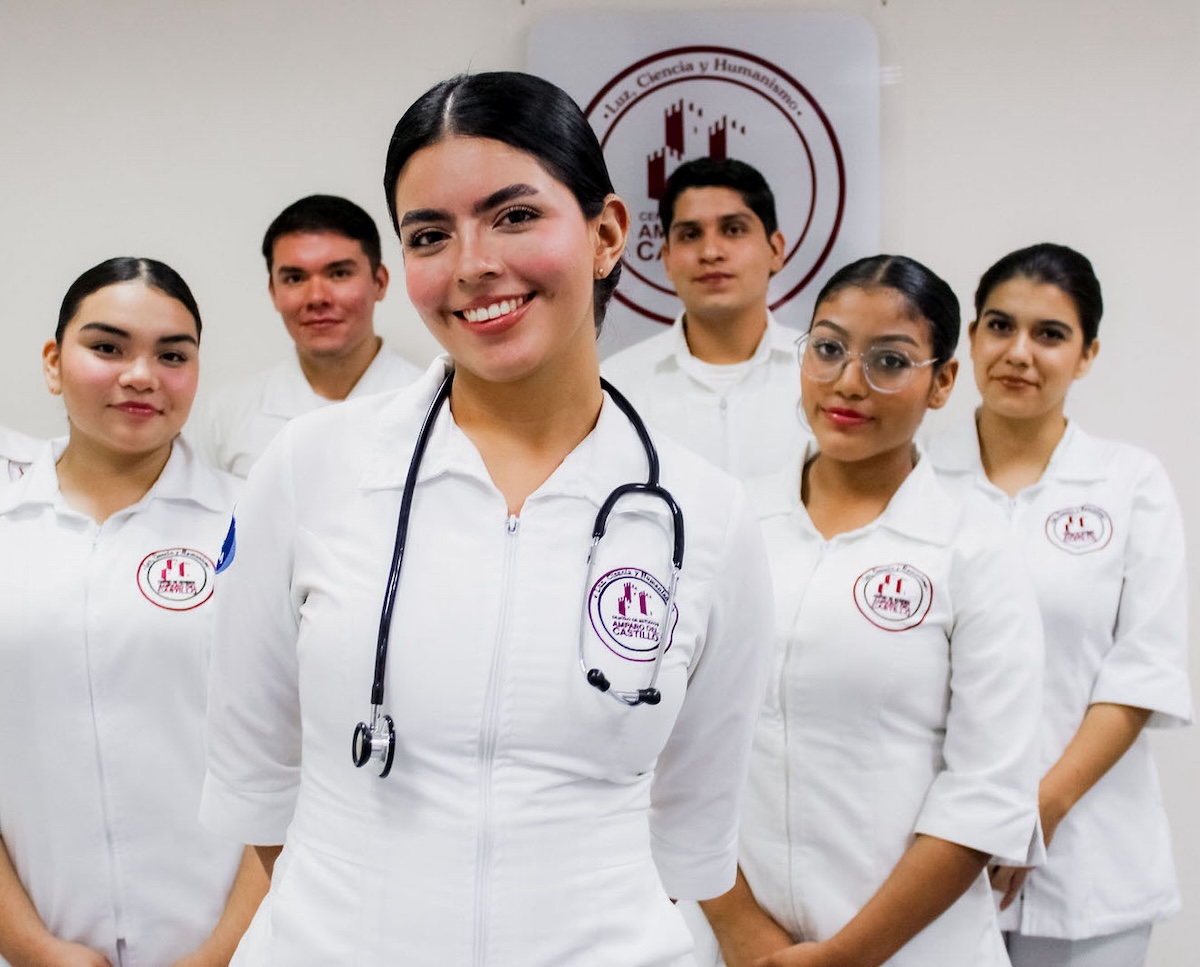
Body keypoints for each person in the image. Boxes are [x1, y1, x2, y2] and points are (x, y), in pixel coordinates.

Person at [200, 71, 774, 966]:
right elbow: (257, 776)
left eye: (513, 216)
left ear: (607, 233)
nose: (472, 264)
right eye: (431, 234)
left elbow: (691, 826)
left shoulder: (702, 516)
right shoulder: (310, 470)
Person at [694, 255, 1045, 967]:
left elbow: (983, 795)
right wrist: (740, 929)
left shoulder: (974, 548)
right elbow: (676, 742)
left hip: (915, 949)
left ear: (943, 380)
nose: (849, 382)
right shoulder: (728, 519)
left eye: (890, 359)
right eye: (827, 348)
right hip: (735, 944)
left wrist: (847, 955)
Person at [925, 243, 1192, 967]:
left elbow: (1142, 671)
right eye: (1000, 326)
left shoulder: (1128, 483)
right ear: (972, 338)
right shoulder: (915, 478)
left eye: (1050, 334)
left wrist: (1035, 809)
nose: (1019, 352)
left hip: (1090, 864)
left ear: (1087, 354)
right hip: (934, 857)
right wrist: (976, 824)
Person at [0, 258, 267, 967]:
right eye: (108, 347)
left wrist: (219, 956)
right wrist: (29, 947)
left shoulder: (257, 522)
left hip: (234, 950)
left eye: (172, 354)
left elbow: (299, 766)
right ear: (55, 362)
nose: (142, 374)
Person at [188, 194, 421, 477]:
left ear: (380, 282)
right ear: (273, 291)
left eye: (339, 273)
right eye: (295, 279)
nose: (317, 297)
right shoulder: (225, 416)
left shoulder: (435, 403)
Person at [602, 157, 805, 479]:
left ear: (776, 250)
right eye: (690, 234)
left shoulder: (822, 375)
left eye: (733, 230)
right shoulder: (613, 388)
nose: (711, 252)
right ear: (667, 259)